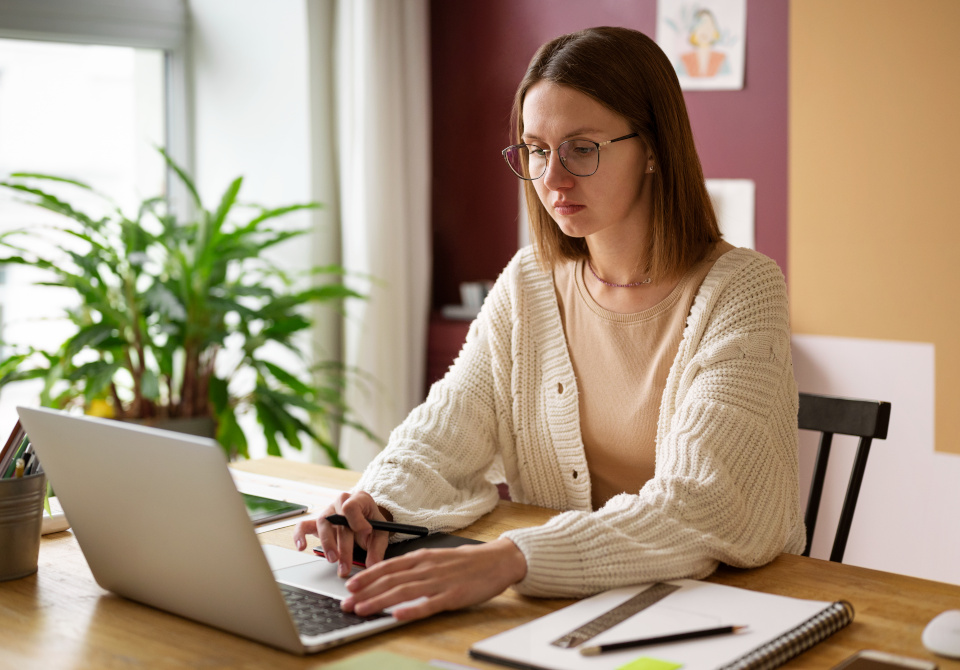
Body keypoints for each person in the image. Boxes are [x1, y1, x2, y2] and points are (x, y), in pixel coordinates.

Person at [293, 26, 806, 622]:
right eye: (536, 150)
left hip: (723, 613)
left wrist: (512, 559)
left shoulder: (744, 289)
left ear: (654, 149)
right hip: (565, 609)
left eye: (581, 148)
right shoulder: (530, 281)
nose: (553, 180)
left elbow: (699, 504)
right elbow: (448, 427)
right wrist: (376, 502)